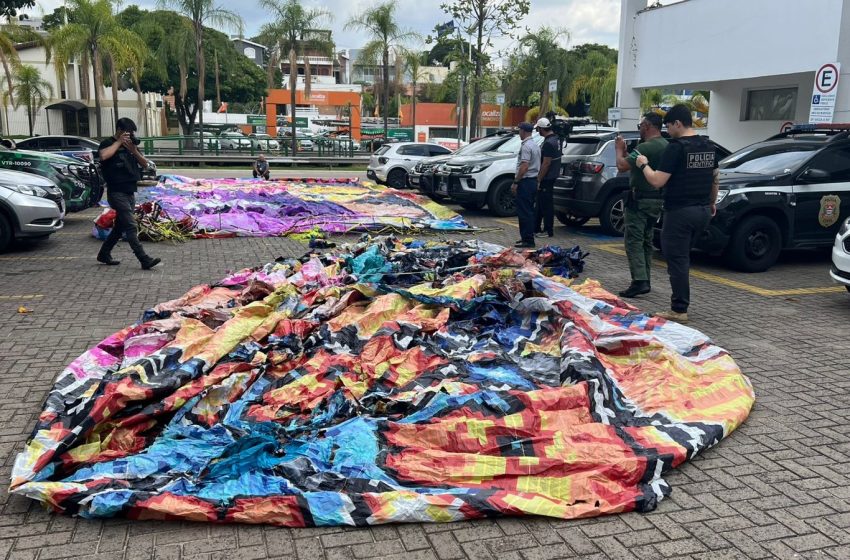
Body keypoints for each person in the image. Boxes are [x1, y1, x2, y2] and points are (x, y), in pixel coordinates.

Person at [635, 104, 719, 324]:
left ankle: (679, 309)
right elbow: (714, 179)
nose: (667, 132)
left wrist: (643, 165)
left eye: (669, 126)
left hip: (680, 211)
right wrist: (711, 202)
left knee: (678, 260)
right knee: (684, 258)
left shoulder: (677, 148)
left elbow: (657, 181)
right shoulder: (708, 145)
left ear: (678, 124)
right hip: (702, 211)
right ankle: (680, 304)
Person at [615, 112, 668, 298]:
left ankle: (639, 280)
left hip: (640, 200)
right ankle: (645, 278)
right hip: (657, 199)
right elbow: (634, 163)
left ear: (647, 125)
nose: (640, 130)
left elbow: (622, 165)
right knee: (646, 239)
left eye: (640, 126)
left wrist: (619, 149)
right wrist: (629, 155)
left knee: (633, 240)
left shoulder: (646, 146)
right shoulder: (666, 145)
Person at [96, 117, 161, 270]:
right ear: (119, 131)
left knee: (120, 227)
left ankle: (104, 254)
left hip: (130, 191)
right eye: (127, 132)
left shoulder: (130, 146)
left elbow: (145, 164)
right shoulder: (107, 143)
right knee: (131, 226)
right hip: (116, 192)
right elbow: (104, 156)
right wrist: (118, 142)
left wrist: (134, 151)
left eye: (131, 133)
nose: (130, 135)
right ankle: (144, 259)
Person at [511, 122, 541, 248]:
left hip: (526, 181)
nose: (519, 133)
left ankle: (528, 239)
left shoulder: (526, 146)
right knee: (527, 210)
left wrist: (516, 182)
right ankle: (525, 237)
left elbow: (524, 166)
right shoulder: (535, 145)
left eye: (520, 130)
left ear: (523, 131)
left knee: (525, 212)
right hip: (532, 181)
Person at [534, 117, 562, 239]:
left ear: (541, 129)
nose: (538, 132)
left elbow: (546, 163)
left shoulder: (549, 143)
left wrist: (539, 179)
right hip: (551, 176)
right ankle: (537, 228)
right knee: (541, 204)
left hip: (547, 178)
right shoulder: (556, 139)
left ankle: (548, 230)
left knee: (546, 206)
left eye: (538, 129)